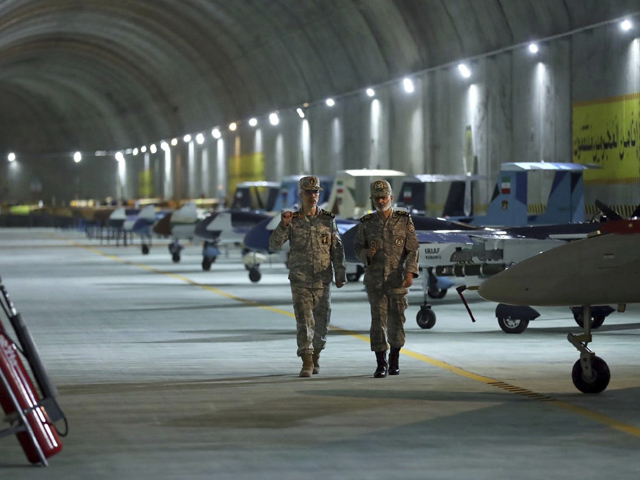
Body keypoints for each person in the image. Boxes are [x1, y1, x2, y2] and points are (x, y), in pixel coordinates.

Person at [269, 175, 346, 377]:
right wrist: (282, 226)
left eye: (316, 192)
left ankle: (317, 354)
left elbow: (337, 249)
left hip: (323, 279)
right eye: (309, 192)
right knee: (304, 321)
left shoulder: (328, 220)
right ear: (300, 194)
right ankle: (307, 361)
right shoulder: (292, 221)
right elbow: (273, 246)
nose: (313, 196)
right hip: (300, 279)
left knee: (322, 322)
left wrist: (340, 273)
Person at [354, 180, 419, 378]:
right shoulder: (366, 223)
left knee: (397, 321)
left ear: (391, 198)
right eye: (377, 198)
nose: (381, 201)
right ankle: (380, 362)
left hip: (397, 280)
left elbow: (413, 248)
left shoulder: (404, 219)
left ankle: (395, 359)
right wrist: (367, 253)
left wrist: (410, 271)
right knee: (378, 322)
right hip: (375, 281)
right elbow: (357, 249)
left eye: (384, 197)